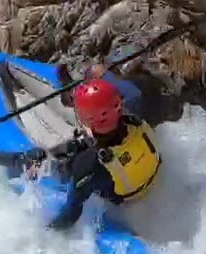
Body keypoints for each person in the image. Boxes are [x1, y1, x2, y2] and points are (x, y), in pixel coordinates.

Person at [40, 75, 164, 231]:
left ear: (87, 121)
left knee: (59, 161)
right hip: (153, 178)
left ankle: (16, 161)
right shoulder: (136, 108)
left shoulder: (88, 164)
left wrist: (48, 229)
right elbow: (132, 92)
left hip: (125, 201)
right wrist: (102, 75)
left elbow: (70, 215)